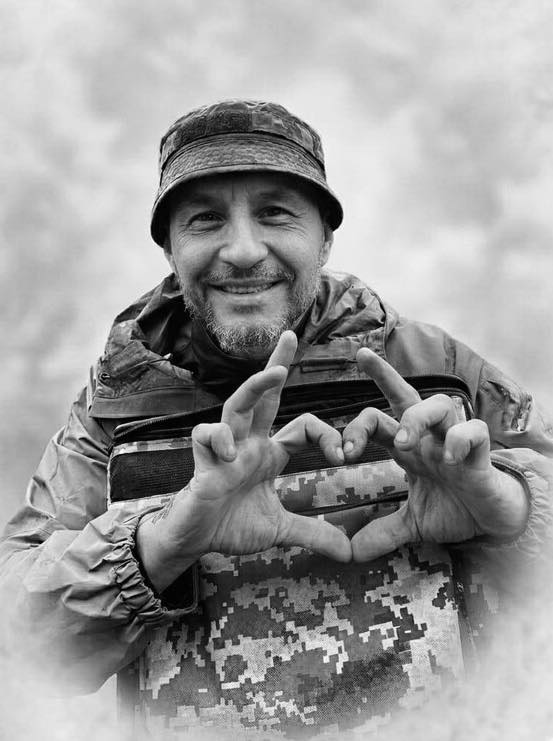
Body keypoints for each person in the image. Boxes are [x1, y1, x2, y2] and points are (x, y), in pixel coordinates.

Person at [1, 99, 552, 739]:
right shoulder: (113, 410)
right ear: (170, 248)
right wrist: (162, 542)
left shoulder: (437, 373)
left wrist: (509, 508)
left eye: (275, 213)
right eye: (205, 219)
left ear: (325, 238)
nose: (241, 251)